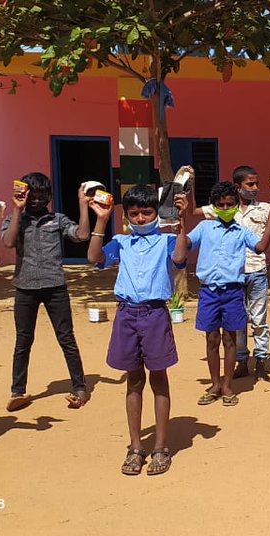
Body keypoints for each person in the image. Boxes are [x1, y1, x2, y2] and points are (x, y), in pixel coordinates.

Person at [87, 185, 189, 476]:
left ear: (157, 213)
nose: (141, 218)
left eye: (147, 212)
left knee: (159, 379)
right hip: (126, 315)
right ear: (127, 216)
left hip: (155, 314)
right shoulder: (121, 242)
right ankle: (135, 446)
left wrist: (183, 225)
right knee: (133, 381)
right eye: (135, 214)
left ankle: (160, 446)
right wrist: (102, 220)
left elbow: (181, 259)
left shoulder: (167, 241)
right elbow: (95, 258)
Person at [0, 172, 90, 411]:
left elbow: (81, 235)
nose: (38, 201)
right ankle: (17, 391)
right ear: (24, 196)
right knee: (23, 340)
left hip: (55, 287)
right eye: (33, 197)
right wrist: (18, 210)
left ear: (49, 196)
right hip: (25, 288)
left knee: (66, 338)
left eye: (43, 197)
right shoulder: (13, 219)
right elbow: (8, 243)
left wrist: (83, 206)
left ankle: (79, 386)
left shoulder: (57, 220)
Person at [184, 181, 270, 407]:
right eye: (221, 205)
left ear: (236, 204)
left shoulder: (242, 232)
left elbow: (260, 247)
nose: (226, 208)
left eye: (230, 204)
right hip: (208, 292)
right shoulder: (204, 228)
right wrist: (179, 219)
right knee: (212, 339)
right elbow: (186, 243)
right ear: (214, 206)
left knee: (230, 340)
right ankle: (214, 385)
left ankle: (227, 386)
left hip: (233, 292)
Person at [201, 166, 270, 379]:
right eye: (250, 184)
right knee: (238, 321)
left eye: (257, 184)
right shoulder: (225, 208)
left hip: (257, 270)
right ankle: (242, 361)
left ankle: (261, 360)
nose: (255, 188)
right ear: (237, 187)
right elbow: (193, 213)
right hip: (232, 275)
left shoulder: (265, 208)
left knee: (259, 319)